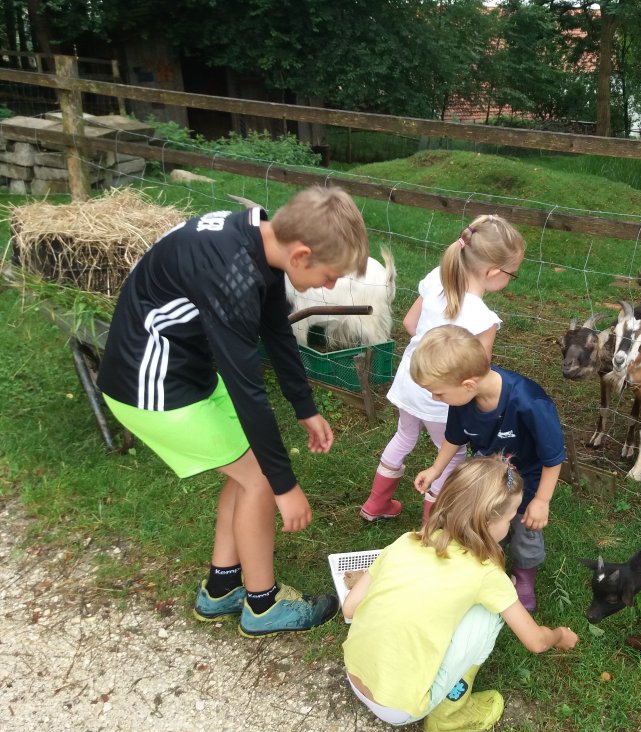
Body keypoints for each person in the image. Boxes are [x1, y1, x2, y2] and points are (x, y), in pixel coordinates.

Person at [96, 186, 369, 638]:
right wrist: (285, 486)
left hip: (186, 370)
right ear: (301, 254)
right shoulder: (231, 274)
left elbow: (275, 326)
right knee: (258, 478)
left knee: (246, 471)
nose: (329, 286)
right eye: (329, 276)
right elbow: (247, 391)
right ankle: (263, 604)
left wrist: (304, 407)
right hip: (149, 387)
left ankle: (222, 588)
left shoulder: (259, 236)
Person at [343, 456, 578, 732]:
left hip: (353, 673)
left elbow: (350, 608)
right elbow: (536, 642)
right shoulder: (486, 573)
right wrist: (559, 635)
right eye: (510, 518)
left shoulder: (407, 540)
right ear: (489, 521)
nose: (511, 524)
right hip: (398, 708)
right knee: (490, 614)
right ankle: (449, 715)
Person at [360, 214, 525, 525]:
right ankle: (432, 524)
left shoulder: (436, 278)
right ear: (493, 272)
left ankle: (375, 504)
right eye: (511, 274)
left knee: (404, 436)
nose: (510, 279)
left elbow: (410, 323)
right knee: (451, 455)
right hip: (444, 398)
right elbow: (478, 370)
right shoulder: (483, 319)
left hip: (413, 380)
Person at [411, 325, 565, 612]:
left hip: (527, 483)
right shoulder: (463, 399)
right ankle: (489, 567)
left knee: (525, 530)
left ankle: (524, 576)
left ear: (468, 384)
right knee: (482, 522)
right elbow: (454, 437)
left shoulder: (530, 403)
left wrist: (542, 501)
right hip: (486, 481)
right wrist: (435, 469)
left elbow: (553, 457)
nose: (435, 399)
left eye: (438, 393)